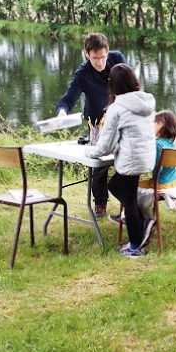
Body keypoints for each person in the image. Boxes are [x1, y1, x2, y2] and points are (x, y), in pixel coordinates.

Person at [84, 64, 156, 257]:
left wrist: (88, 152)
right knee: (115, 185)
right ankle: (141, 221)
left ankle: (135, 245)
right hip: (147, 158)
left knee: (129, 200)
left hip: (131, 161)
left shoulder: (117, 108)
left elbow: (104, 146)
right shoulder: (147, 102)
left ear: (113, 85)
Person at [55, 33, 128, 218]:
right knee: (99, 162)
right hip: (97, 121)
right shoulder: (83, 74)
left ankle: (127, 201)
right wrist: (62, 112)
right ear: (86, 54)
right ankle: (100, 203)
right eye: (95, 58)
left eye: (103, 57)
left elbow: (129, 84)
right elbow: (68, 98)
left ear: (108, 52)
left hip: (120, 117)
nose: (100, 62)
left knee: (126, 156)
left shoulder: (118, 59)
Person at [135, 110, 176, 249]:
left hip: (160, 185)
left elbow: (155, 169)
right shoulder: (172, 144)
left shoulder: (158, 145)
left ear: (160, 125)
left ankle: (137, 219)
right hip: (174, 184)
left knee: (129, 187)